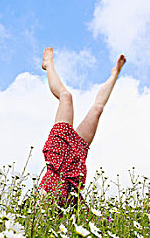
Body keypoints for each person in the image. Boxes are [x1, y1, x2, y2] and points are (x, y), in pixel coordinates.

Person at [38, 47, 126, 206]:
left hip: (66, 165)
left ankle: (114, 75)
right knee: (67, 97)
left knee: (95, 108)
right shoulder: (68, 205)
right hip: (65, 168)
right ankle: (49, 65)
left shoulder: (69, 205)